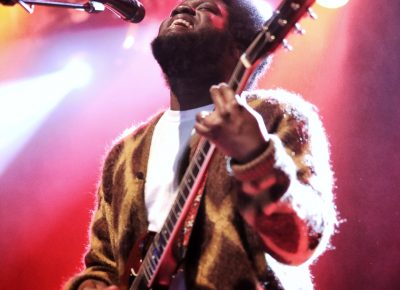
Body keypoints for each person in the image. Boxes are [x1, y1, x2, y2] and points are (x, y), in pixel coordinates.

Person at [64, 0, 337, 289]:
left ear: (241, 47)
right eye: (179, 6)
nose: (182, 8)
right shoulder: (125, 153)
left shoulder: (274, 116)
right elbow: (102, 266)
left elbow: (301, 241)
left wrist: (256, 156)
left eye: (205, 7)